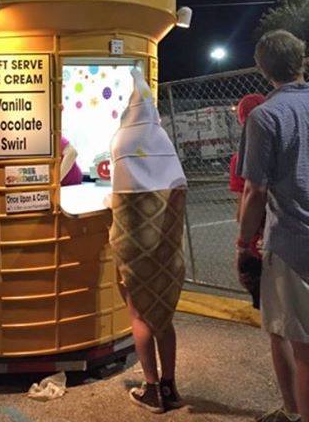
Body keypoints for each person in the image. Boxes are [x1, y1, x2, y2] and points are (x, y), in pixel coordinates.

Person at [237, 30, 309, 422]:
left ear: (263, 70)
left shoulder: (265, 115)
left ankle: (294, 411)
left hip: (293, 244)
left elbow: (255, 189)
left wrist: (244, 240)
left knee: (297, 343)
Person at [108, 67, 187, 413]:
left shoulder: (121, 141)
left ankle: (151, 388)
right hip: (166, 251)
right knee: (164, 317)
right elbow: (179, 188)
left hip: (132, 246)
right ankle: (170, 386)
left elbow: (119, 196)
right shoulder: (163, 140)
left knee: (139, 314)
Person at [229, 93, 266, 308]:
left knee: (272, 313)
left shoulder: (239, 158)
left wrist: (242, 244)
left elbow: (245, 201)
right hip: (291, 233)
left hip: (258, 240)